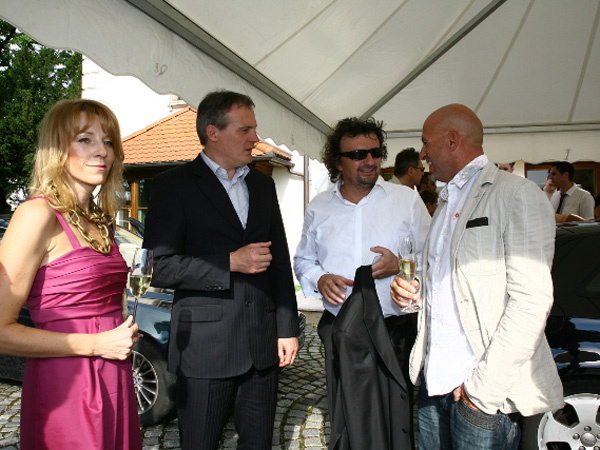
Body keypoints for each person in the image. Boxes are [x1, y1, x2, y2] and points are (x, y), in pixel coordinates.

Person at [391, 104, 563, 450]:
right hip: (433, 383)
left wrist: (483, 390)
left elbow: (531, 301)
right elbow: (447, 282)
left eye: (426, 142)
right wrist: (413, 293)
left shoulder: (517, 194)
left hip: (480, 395)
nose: (422, 154)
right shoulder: (445, 201)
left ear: (452, 140)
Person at [143, 90, 299, 450]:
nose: (255, 138)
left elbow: (279, 260)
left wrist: (286, 328)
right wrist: (230, 262)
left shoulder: (262, 184)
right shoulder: (173, 185)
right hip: (204, 349)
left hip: (261, 347)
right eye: (245, 130)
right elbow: (158, 268)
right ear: (212, 132)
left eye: (254, 129)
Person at [0, 99, 142, 449]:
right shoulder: (37, 215)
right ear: (57, 147)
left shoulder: (101, 220)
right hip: (66, 384)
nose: (101, 152)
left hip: (114, 375)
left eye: (108, 142)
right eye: (85, 139)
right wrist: (96, 343)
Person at [294, 117, 430, 449]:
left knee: (394, 418)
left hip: (394, 330)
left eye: (375, 152)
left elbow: (434, 258)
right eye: (357, 154)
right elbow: (303, 260)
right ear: (338, 162)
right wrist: (319, 278)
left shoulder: (406, 200)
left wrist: (400, 265)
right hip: (340, 330)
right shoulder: (319, 206)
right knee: (347, 417)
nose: (369, 160)